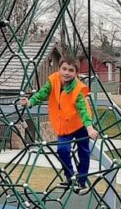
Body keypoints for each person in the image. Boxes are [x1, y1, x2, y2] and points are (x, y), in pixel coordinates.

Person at [21, 55, 99, 192]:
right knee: (62, 149)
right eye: (64, 69)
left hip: (80, 125)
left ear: (76, 73)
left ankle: (82, 182)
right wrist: (30, 102)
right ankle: (70, 177)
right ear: (59, 69)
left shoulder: (77, 89)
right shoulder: (54, 81)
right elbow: (42, 93)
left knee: (84, 152)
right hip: (64, 125)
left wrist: (90, 128)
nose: (66, 73)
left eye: (71, 70)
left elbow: (83, 110)